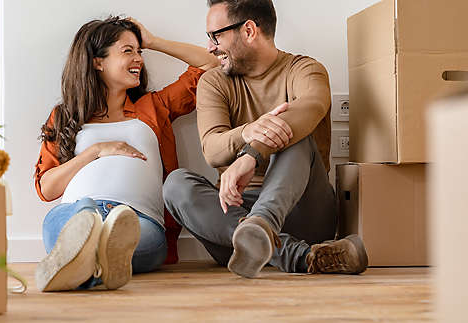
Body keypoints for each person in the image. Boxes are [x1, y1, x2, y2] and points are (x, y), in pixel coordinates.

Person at [163, 0, 368, 278]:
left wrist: (252, 153)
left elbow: (311, 108)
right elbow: (212, 149)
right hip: (233, 223)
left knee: (295, 132)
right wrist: (248, 130)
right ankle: (302, 256)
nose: (210, 47)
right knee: (175, 185)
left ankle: (263, 225)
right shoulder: (214, 81)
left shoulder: (305, 69)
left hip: (302, 211)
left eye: (216, 36)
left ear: (248, 30)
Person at [34, 16, 217, 292]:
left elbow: (211, 65)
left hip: (138, 222)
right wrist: (95, 151)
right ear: (98, 61)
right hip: (75, 212)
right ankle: (96, 263)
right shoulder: (65, 116)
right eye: (128, 51)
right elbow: (47, 188)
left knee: (124, 241)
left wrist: (153, 41)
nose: (139, 59)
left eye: (139, 51)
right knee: (79, 220)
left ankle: (80, 268)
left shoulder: (154, 106)